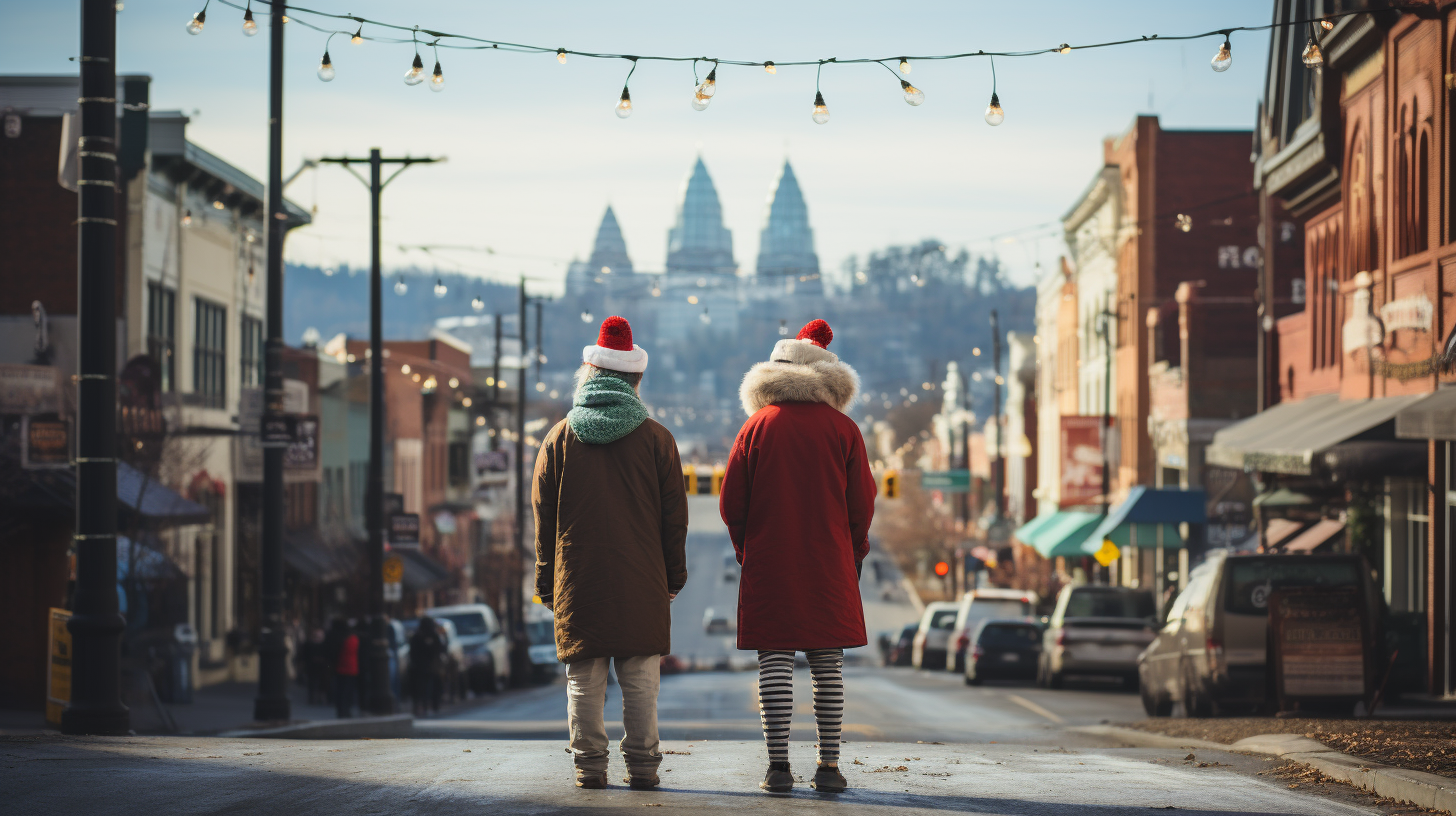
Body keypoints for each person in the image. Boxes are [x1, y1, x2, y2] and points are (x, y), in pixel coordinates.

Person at [719, 319, 876, 794]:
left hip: (771, 561)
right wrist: (853, 552)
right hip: (830, 562)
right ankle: (828, 767)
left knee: (775, 662)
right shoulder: (845, 430)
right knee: (828, 664)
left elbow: (731, 503)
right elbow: (862, 505)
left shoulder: (756, 427)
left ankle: (778, 768)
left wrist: (749, 548)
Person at [533, 316, 689, 791]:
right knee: (640, 679)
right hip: (642, 578)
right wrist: (672, 577)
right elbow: (673, 518)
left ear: (589, 374)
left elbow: (544, 518)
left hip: (578, 578)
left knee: (584, 680)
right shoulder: (657, 439)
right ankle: (642, 766)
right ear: (635, 379)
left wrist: (546, 580)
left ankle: (590, 766)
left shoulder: (559, 438)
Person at [408, 616, 445, 718]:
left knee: (426, 688)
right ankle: (427, 706)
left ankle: (427, 706)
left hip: (425, 668)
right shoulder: (421, 636)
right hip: (427, 668)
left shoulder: (422, 636)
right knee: (427, 688)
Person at [330, 618, 359, 718]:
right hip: (352, 667)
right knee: (348, 691)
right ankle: (346, 710)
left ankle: (341, 710)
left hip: (341, 667)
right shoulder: (353, 637)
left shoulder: (338, 637)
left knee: (341, 690)